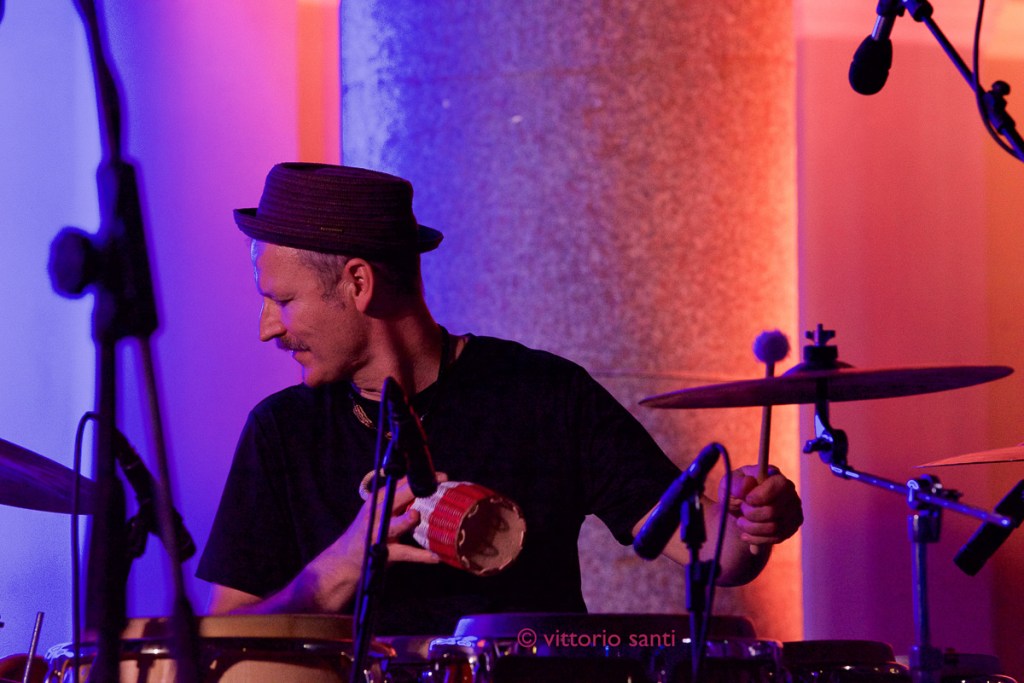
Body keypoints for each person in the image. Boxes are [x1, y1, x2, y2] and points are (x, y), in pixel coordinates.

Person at [196, 162, 803, 636]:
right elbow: (225, 640)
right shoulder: (281, 431)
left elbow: (719, 556)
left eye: (282, 300)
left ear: (358, 282)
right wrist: (340, 567)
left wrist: (752, 521)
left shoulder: (544, 394)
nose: (267, 328)